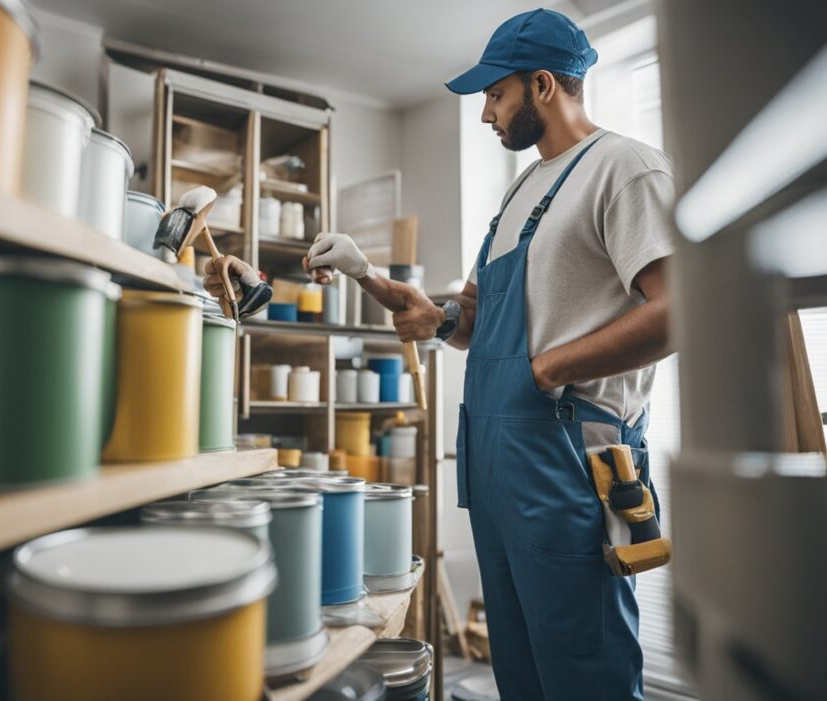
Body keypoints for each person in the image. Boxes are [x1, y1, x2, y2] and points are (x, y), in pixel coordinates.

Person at [206, 8, 674, 699]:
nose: (486, 113)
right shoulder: (521, 190)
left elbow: (677, 309)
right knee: (520, 670)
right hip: (499, 464)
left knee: (585, 672)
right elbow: (473, 318)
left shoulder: (622, 169)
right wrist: (394, 291)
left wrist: (550, 367)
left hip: (569, 466)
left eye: (495, 93)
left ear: (543, 85)